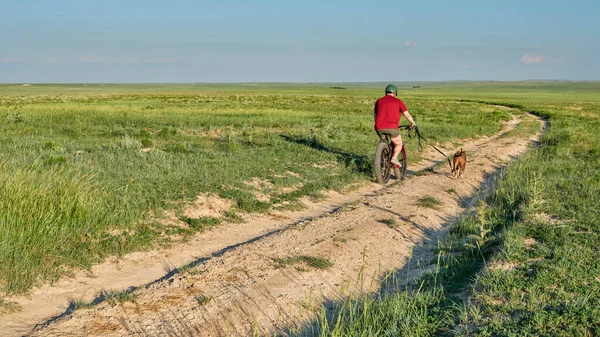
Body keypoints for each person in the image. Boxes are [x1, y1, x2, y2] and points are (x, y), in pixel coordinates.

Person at [374, 84, 417, 167]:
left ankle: (382, 155)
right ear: (395, 93)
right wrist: (413, 123)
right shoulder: (398, 101)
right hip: (392, 127)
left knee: (384, 140)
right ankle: (394, 158)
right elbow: (407, 115)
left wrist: (377, 124)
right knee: (398, 143)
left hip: (379, 127)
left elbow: (375, 115)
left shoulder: (379, 101)